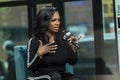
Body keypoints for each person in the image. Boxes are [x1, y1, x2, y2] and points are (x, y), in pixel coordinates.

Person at [27, 6, 80, 80]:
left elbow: (72, 62)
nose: (57, 23)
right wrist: (39, 54)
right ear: (44, 21)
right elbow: (31, 68)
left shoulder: (62, 38)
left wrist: (73, 50)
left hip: (60, 74)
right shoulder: (35, 41)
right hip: (40, 76)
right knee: (55, 77)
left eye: (58, 20)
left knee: (75, 79)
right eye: (53, 20)